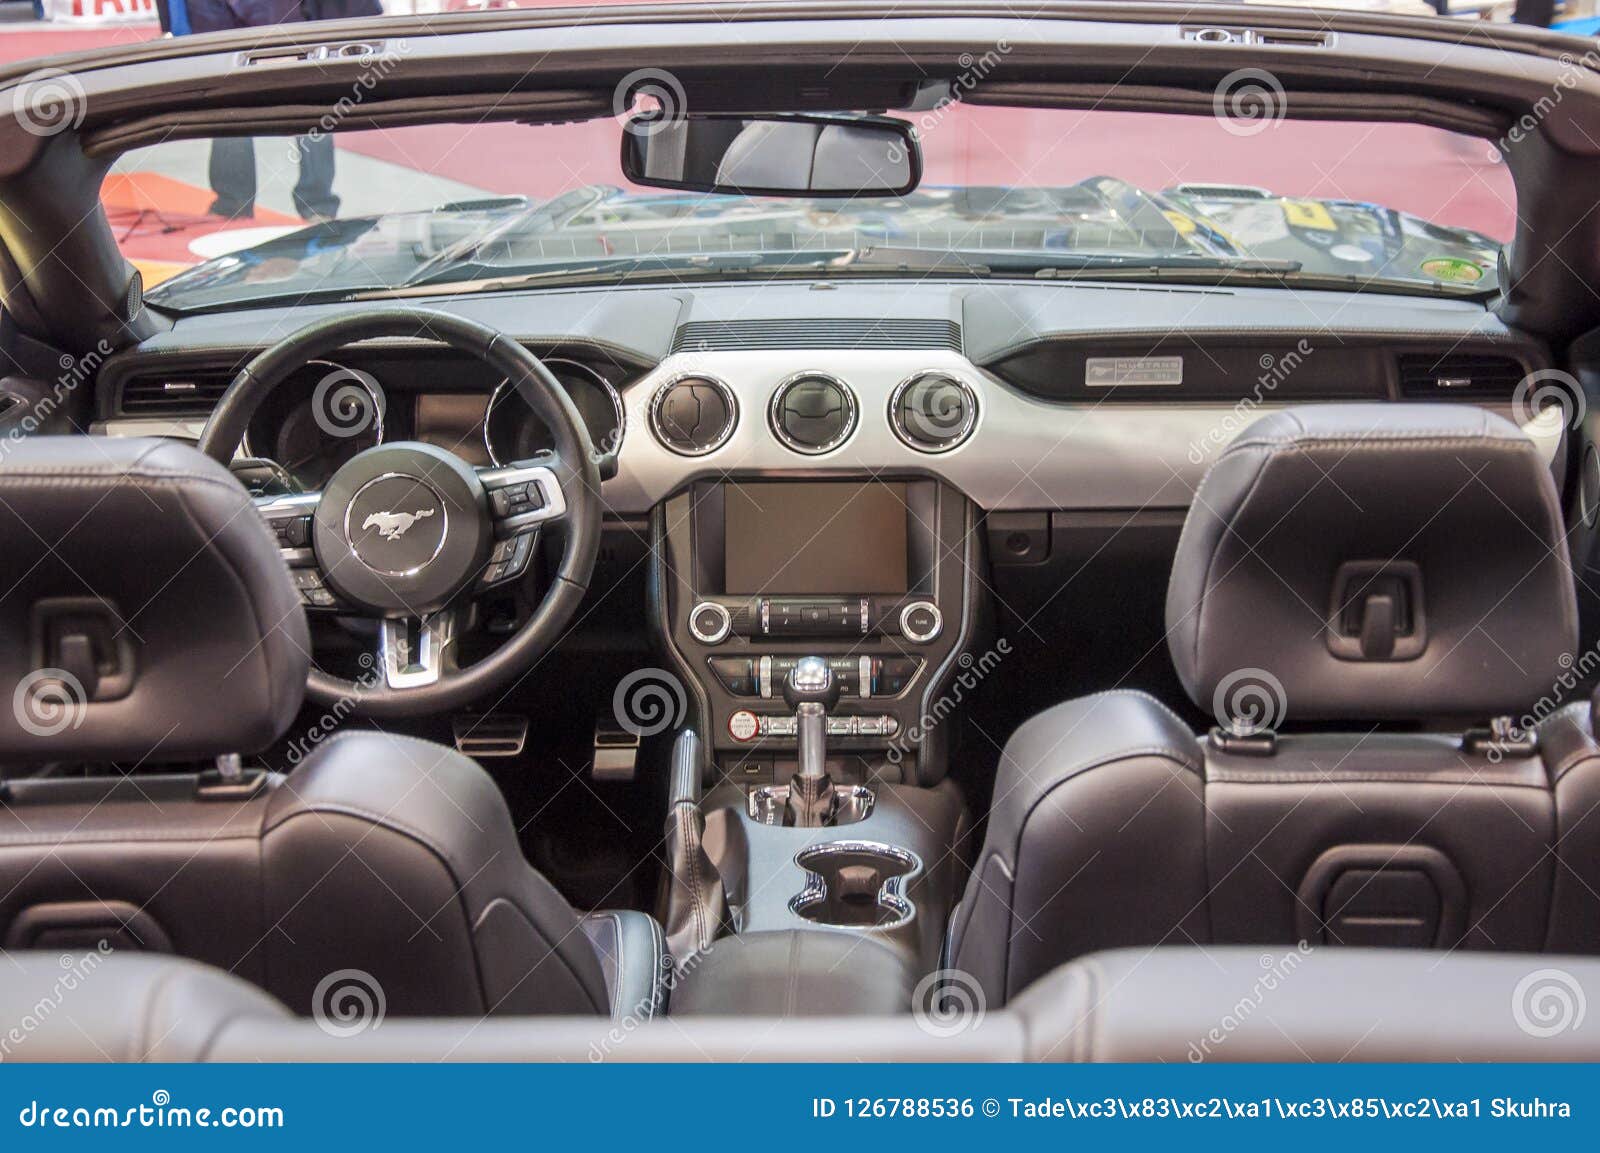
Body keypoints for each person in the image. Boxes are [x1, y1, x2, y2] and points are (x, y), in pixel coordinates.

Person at [181, 0, 378, 220]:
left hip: (280, 19)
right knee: (231, 102)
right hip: (239, 18)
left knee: (306, 103)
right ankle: (236, 205)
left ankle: (313, 205)